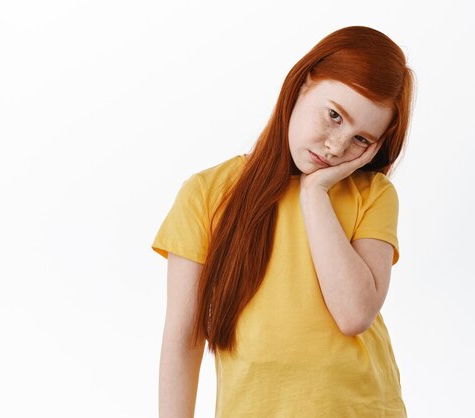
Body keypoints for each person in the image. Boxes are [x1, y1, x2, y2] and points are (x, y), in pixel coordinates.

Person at [151, 25, 415, 418]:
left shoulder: (372, 195)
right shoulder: (207, 194)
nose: (337, 146)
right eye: (334, 115)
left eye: (361, 139)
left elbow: (354, 314)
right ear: (303, 82)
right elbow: (183, 338)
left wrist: (314, 193)